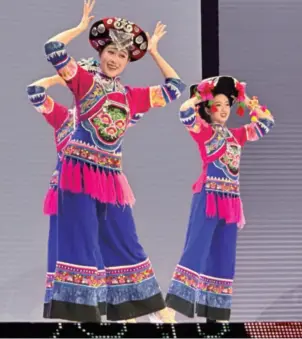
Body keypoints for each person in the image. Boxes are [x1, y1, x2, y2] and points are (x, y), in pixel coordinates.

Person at [42, 0, 186, 322]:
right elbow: (53, 48)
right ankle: (87, 311)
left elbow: (175, 88)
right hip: (77, 171)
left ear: (127, 62)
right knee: (82, 236)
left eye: (122, 55)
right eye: (111, 52)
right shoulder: (85, 81)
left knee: (124, 238)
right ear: (100, 53)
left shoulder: (131, 97)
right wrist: (79, 29)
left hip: (111, 177)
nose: (115, 59)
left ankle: (136, 304)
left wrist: (155, 53)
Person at [165, 75, 275, 322]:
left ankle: (216, 315)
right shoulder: (203, 133)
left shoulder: (238, 135)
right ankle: (170, 310)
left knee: (225, 256)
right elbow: (184, 113)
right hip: (208, 197)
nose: (224, 109)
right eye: (218, 104)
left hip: (231, 202)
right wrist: (198, 95)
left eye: (227, 104)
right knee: (196, 250)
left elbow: (267, 122)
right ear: (207, 108)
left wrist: (246, 101)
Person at [26, 59, 111, 319]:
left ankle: (98, 307)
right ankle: (68, 306)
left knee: (97, 245)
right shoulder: (63, 117)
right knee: (63, 245)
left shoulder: (105, 115)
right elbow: (34, 91)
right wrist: (60, 78)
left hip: (96, 189)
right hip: (66, 190)